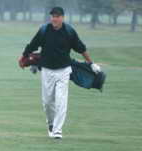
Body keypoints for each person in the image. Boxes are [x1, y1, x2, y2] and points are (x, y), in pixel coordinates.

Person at [19, 6, 101, 139]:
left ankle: (57, 131)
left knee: (61, 102)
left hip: (63, 71)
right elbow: (33, 45)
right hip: (46, 71)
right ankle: (51, 124)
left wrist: (91, 63)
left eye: (57, 16)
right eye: (53, 16)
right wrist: (23, 57)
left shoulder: (69, 31)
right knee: (47, 102)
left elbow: (81, 48)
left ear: (62, 17)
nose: (54, 19)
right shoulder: (44, 30)